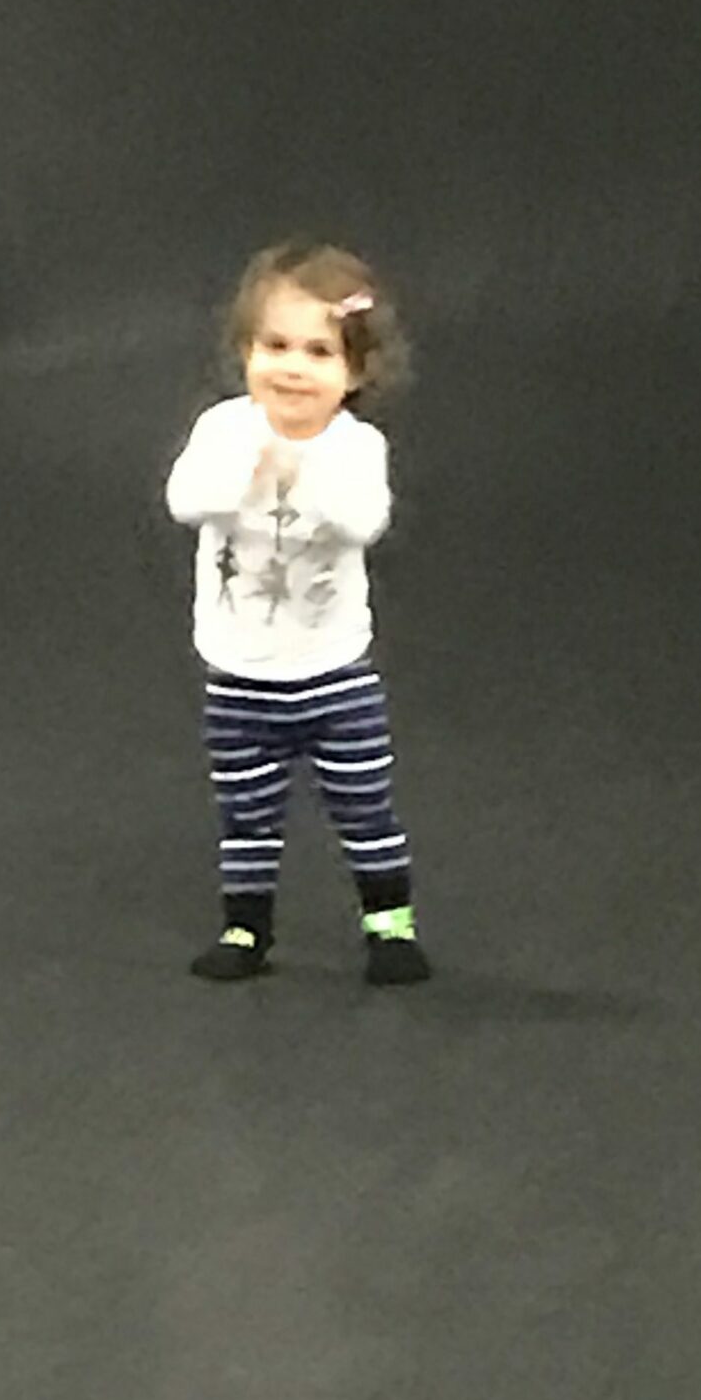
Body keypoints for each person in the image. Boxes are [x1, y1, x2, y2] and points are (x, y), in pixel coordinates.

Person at [165, 241, 428, 984]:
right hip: (239, 674)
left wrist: (302, 472)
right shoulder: (224, 431)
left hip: (334, 674)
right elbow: (185, 502)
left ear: (355, 373)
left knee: (364, 809)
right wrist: (246, 468)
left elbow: (362, 522)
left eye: (318, 352)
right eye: (275, 346)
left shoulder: (355, 447)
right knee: (247, 815)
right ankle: (247, 929)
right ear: (245, 350)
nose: (292, 368)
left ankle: (390, 925)